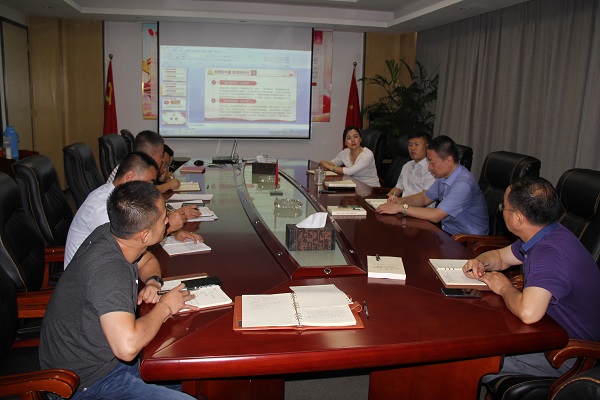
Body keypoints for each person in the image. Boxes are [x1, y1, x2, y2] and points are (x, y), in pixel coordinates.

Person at [40, 181, 199, 399]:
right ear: (144, 235)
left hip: (106, 360)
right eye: (164, 218)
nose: (167, 222)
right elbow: (127, 347)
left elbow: (147, 261)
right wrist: (165, 307)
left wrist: (153, 282)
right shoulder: (110, 271)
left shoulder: (111, 234)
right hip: (84, 383)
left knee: (190, 377)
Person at [463, 177, 600, 381]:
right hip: (548, 329)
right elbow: (500, 257)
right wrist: (481, 262)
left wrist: (504, 287)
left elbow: (529, 313)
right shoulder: (546, 232)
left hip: (568, 354)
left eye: (503, 207)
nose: (501, 210)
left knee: (468, 360)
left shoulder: (548, 253)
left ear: (518, 218)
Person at [64, 151, 202, 267]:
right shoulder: (104, 207)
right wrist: (168, 228)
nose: (150, 188)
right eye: (148, 182)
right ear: (130, 177)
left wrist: (172, 233)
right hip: (88, 280)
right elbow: (131, 249)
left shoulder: (121, 199)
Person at [377, 135, 488, 235]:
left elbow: (436, 216)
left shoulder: (463, 184)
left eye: (432, 162)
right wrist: (401, 200)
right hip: (447, 232)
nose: (429, 167)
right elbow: (424, 198)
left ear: (449, 160)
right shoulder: (443, 176)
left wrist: (401, 208)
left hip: (468, 240)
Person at [387, 131, 435, 206]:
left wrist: (400, 203)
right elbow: (398, 189)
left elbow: (425, 198)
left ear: (427, 146)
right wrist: (387, 198)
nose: (412, 148)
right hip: (402, 206)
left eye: (417, 144)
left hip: (419, 209)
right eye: (410, 144)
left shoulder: (432, 168)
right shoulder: (407, 166)